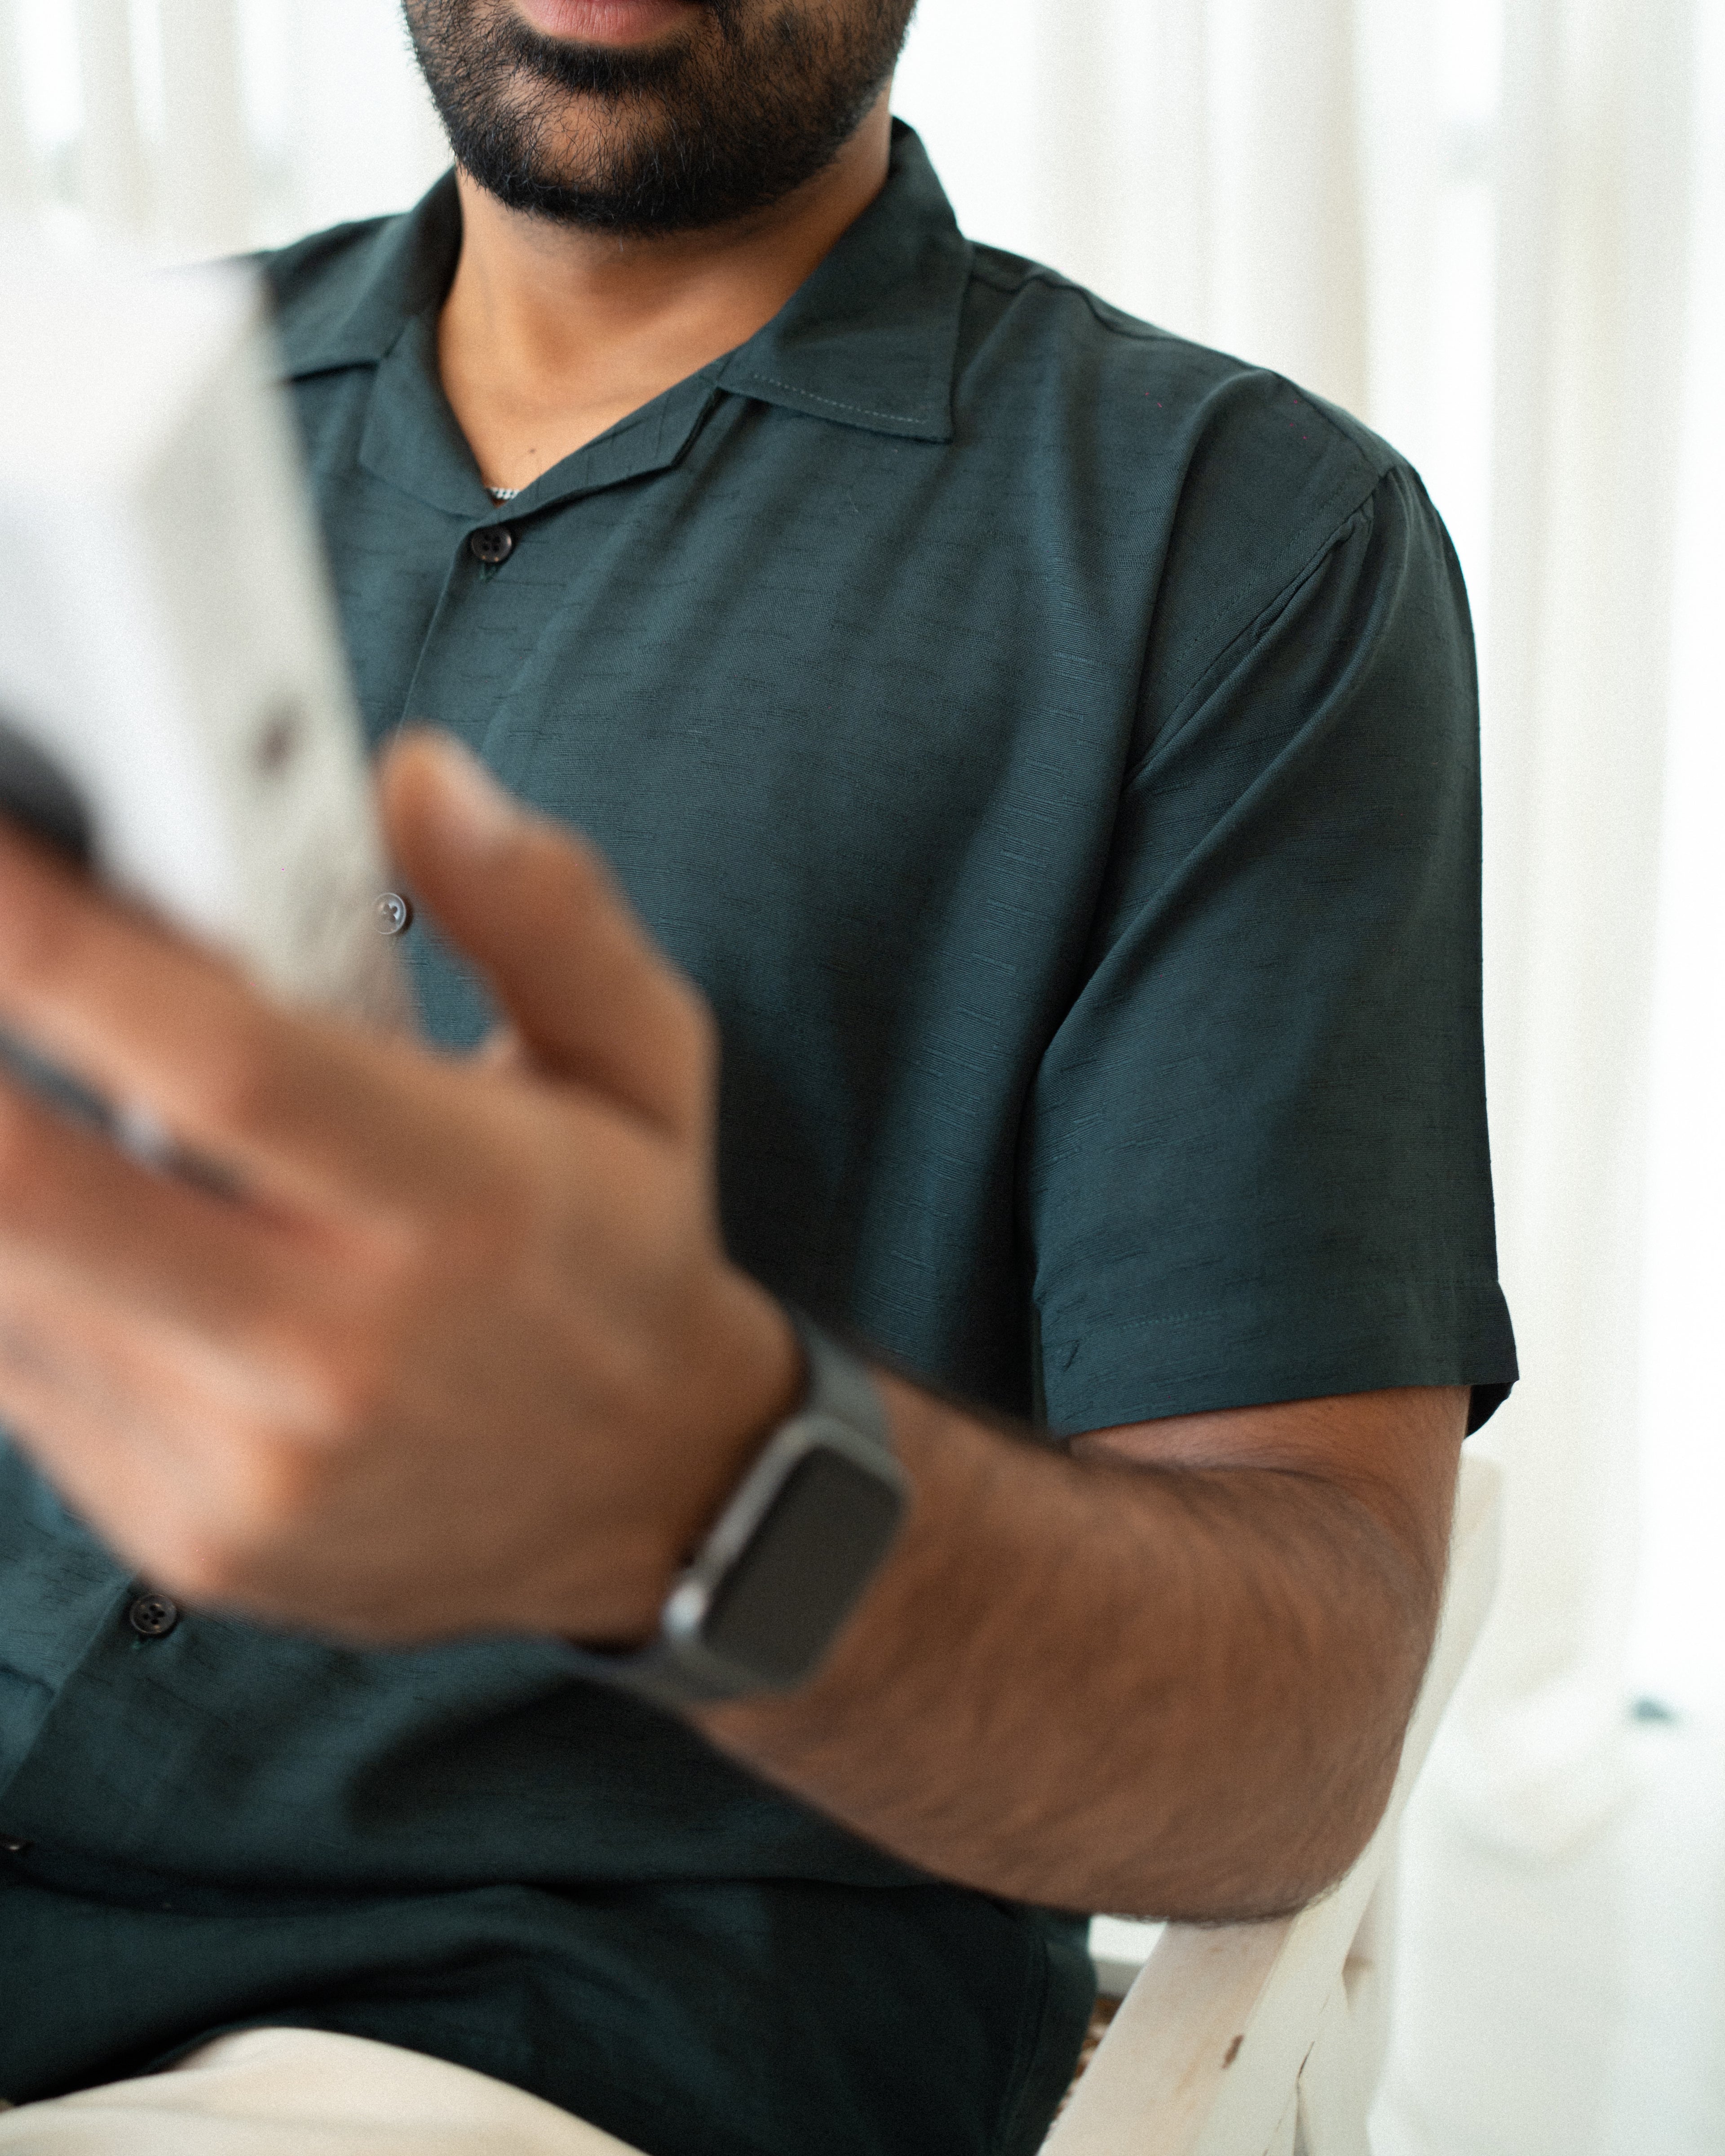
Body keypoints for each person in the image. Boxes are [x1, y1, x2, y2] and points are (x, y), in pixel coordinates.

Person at [0, 2, 1518, 2151]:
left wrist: (693, 1490)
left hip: (529, 2031)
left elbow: (1299, 1732)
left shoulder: (1244, 553)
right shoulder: (82, 424)